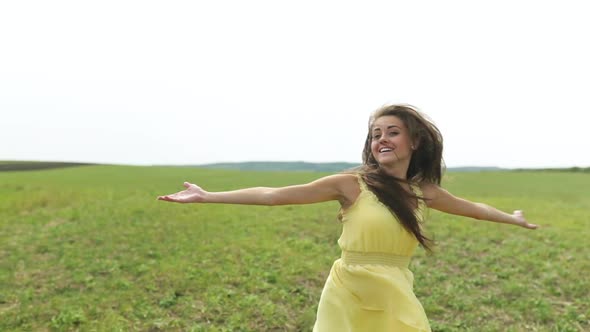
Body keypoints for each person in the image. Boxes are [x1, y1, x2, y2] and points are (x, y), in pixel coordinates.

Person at [157, 104, 538, 331]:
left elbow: (476, 209)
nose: (382, 140)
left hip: (394, 286)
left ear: (415, 142)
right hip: (349, 286)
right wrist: (208, 196)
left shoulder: (425, 192)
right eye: (376, 134)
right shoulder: (351, 185)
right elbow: (275, 196)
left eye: (393, 132)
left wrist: (514, 218)